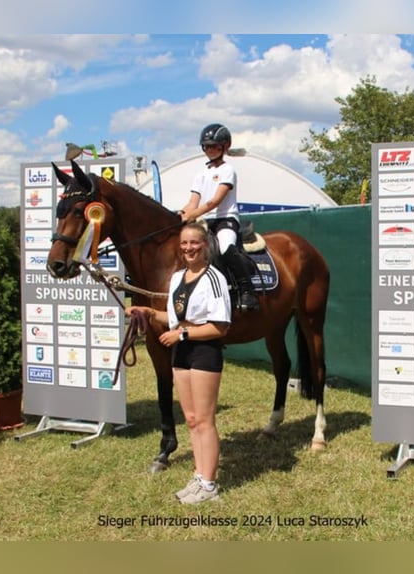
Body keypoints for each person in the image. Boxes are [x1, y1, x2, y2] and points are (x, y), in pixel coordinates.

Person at [126, 222, 232, 504]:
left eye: (195, 243)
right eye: (184, 243)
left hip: (203, 351)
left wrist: (183, 333)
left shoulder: (214, 278)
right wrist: (148, 312)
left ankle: (209, 486)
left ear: (205, 245)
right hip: (181, 352)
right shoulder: (177, 279)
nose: (189, 248)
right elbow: (170, 319)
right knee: (192, 419)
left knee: (206, 420)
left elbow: (220, 328)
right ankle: (199, 476)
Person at [177, 123, 259, 311]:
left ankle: (247, 290)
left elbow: (215, 201)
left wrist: (192, 215)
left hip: (225, 219)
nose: (210, 150)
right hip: (205, 221)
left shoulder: (227, 170)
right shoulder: (201, 173)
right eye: (206, 146)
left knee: (224, 248)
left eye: (214, 146)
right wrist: (180, 214)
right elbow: (192, 202)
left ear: (225, 146)